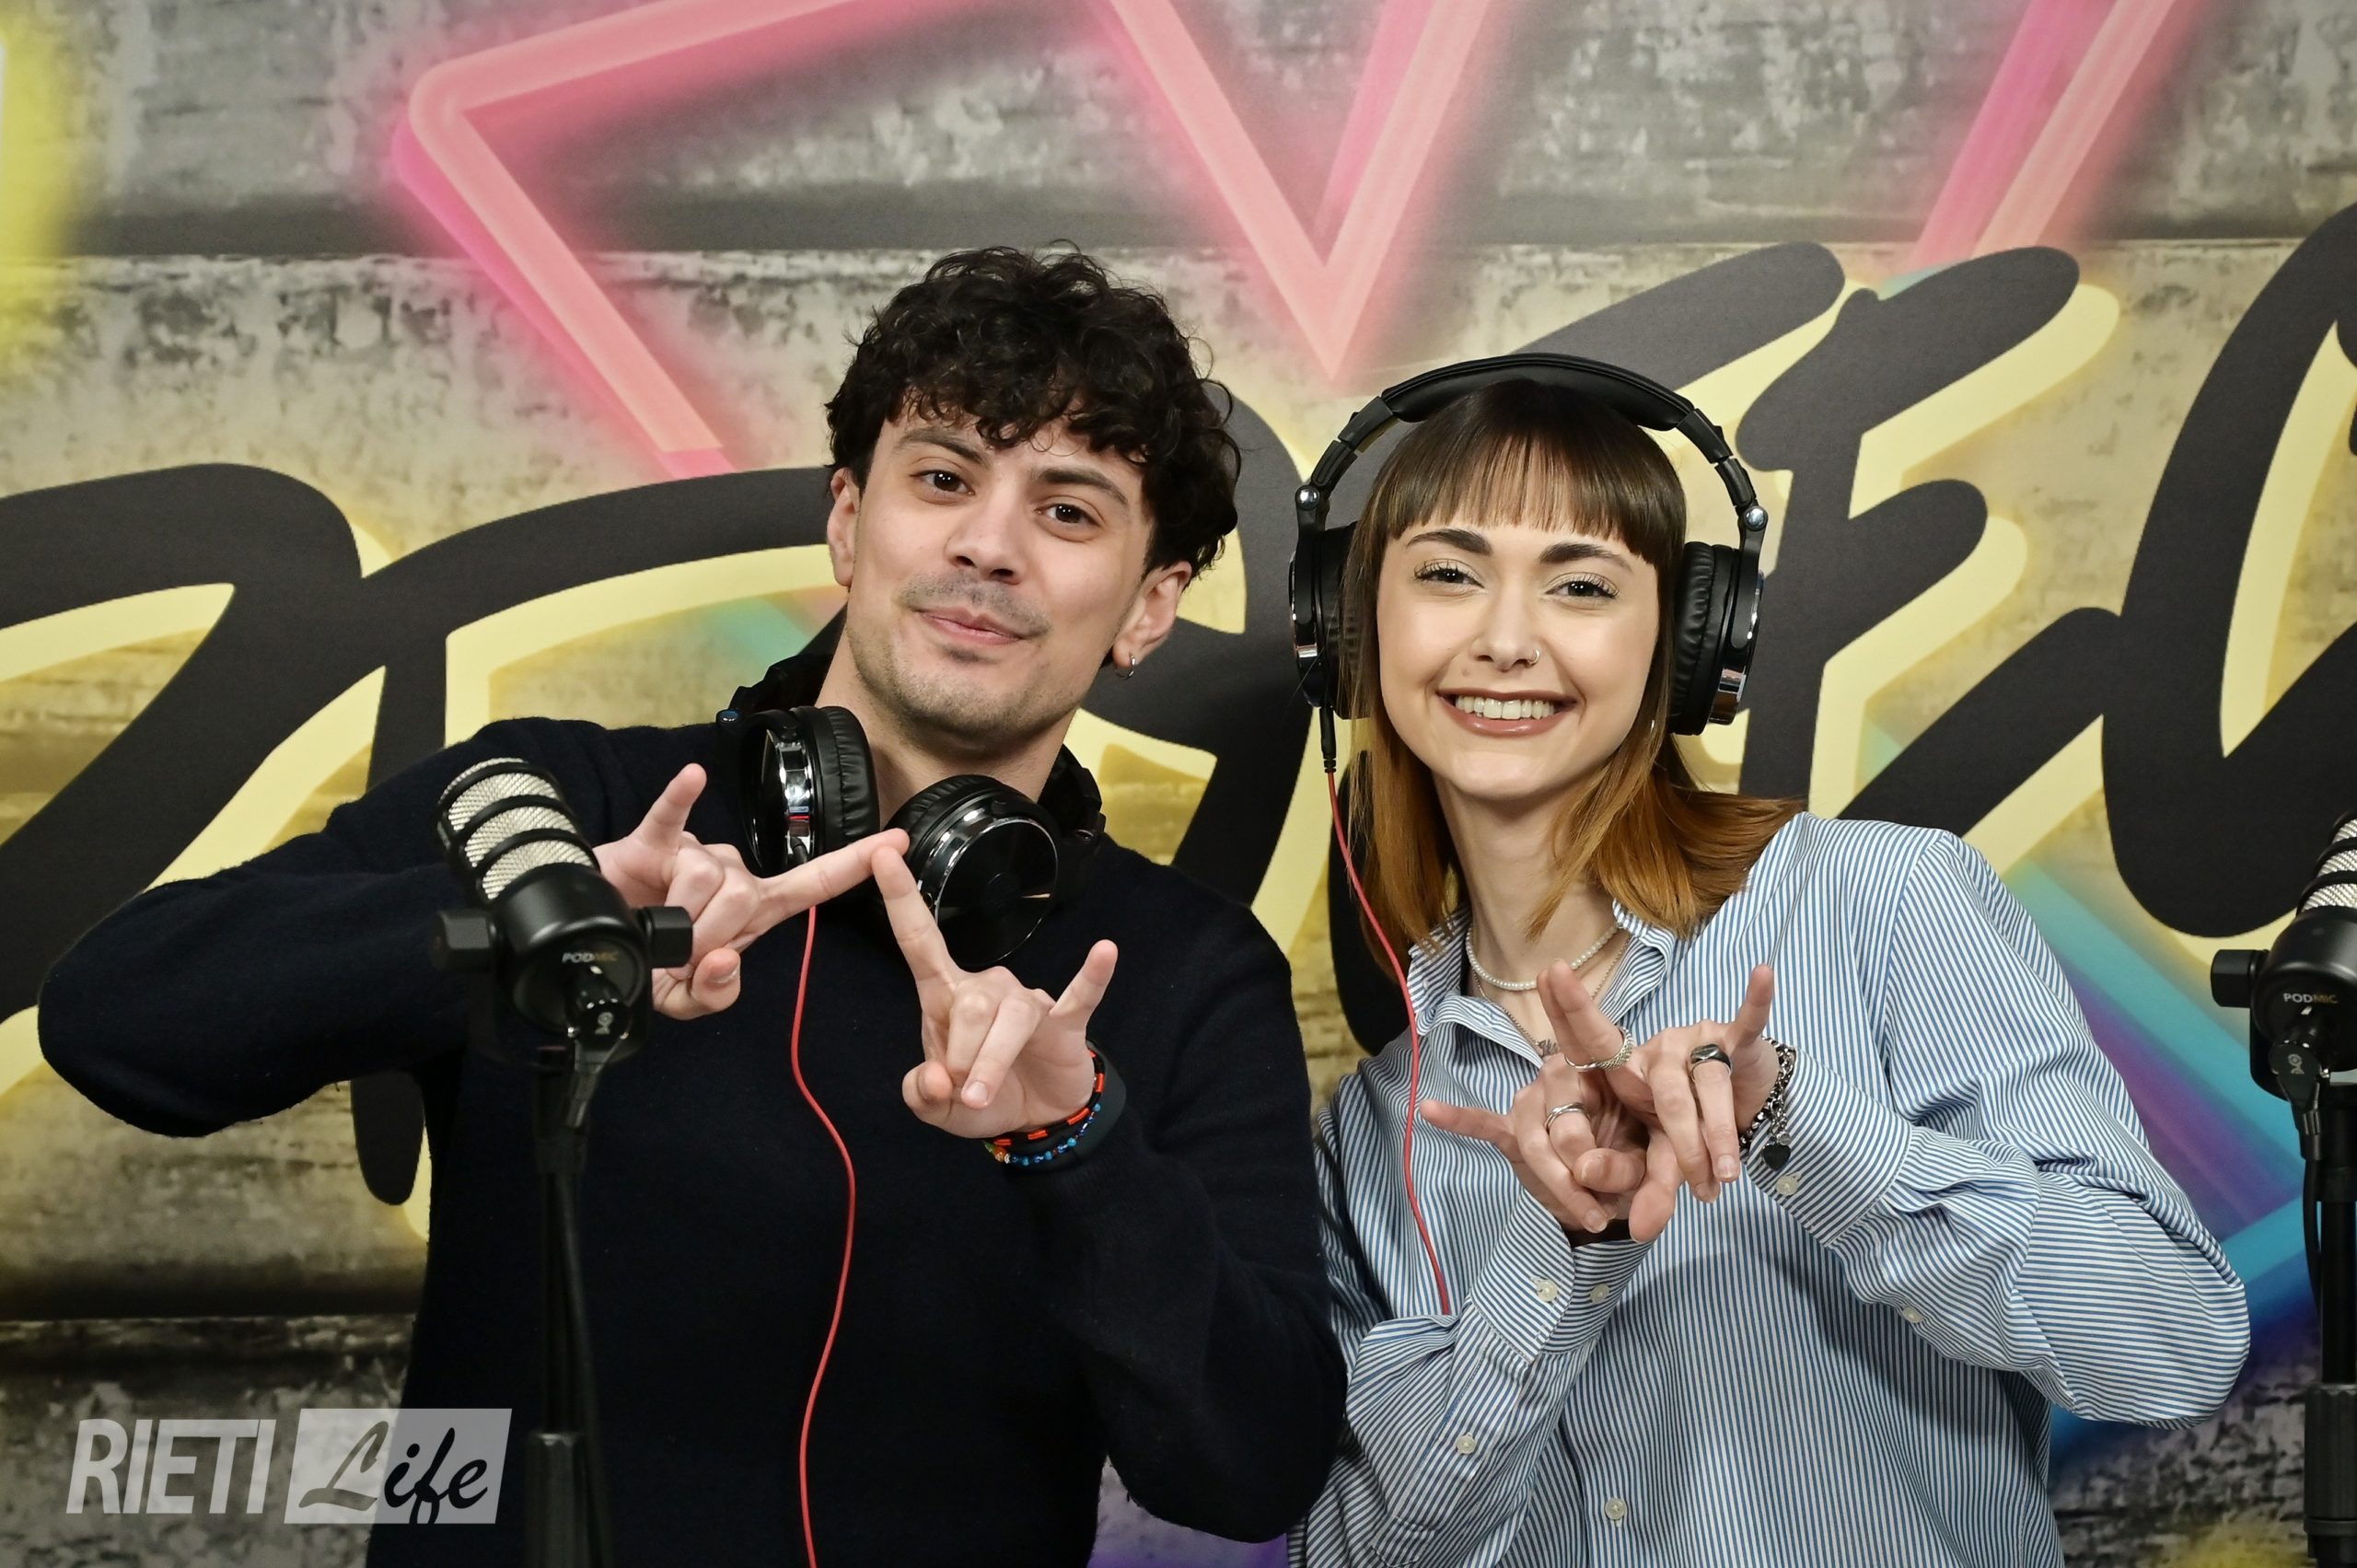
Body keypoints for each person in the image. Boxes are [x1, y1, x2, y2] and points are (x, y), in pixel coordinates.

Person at [41, 246, 1343, 1565]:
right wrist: (534, 924)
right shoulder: (561, 806)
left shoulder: (1178, 970)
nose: (987, 546)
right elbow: (117, 1021)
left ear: (1150, 606)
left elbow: (1254, 1469)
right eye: (943, 479)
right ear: (850, 523)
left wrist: (1080, 1142)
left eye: (1067, 512)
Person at [1288, 377, 2249, 1566]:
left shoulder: (1884, 901)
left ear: (1690, 644)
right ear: (1348, 627)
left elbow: (2174, 1344)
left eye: (1582, 585)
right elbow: (1365, 1552)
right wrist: (1557, 1253)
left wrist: (1797, 1119)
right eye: (1449, 573)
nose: (1506, 638)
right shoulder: (1381, 1122)